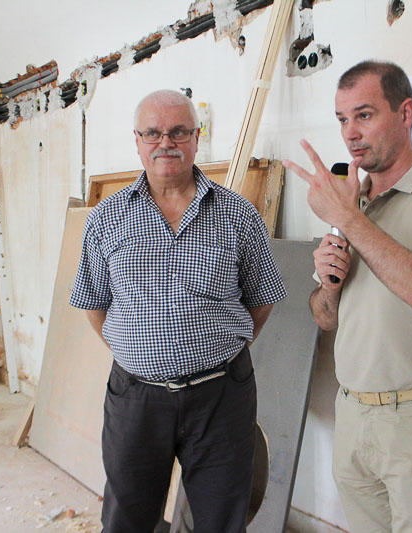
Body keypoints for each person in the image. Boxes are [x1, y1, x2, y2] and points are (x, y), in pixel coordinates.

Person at [283, 61, 412, 533]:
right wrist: (329, 285)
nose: (350, 133)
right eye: (342, 119)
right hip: (354, 414)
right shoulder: (352, 203)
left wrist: (350, 219)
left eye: (364, 115)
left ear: (405, 113)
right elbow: (325, 318)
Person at [70, 89, 286, 533]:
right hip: (136, 398)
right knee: (127, 518)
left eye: (178, 132)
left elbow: (261, 299)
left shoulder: (238, 215)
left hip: (221, 396)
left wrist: (220, 347)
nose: (165, 142)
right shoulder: (106, 218)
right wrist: (137, 352)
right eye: (152, 133)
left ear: (196, 138)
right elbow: (94, 303)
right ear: (137, 140)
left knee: (222, 520)